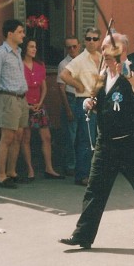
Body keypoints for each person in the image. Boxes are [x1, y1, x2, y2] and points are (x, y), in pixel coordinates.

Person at [58, 33, 134, 248]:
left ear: (123, 50)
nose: (106, 52)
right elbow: (99, 100)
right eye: (103, 48)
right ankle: (82, 236)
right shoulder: (102, 75)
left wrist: (129, 75)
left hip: (132, 142)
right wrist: (90, 105)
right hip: (106, 143)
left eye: (111, 47)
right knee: (95, 189)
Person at [0, 19, 29, 189]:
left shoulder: (17, 52)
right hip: (7, 98)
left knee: (18, 136)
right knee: (7, 137)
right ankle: (1, 176)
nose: (23, 35)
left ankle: (12, 172)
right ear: (10, 34)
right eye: (20, 31)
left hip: (20, 99)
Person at [59, 28, 102, 186]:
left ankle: (95, 173)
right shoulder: (80, 59)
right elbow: (64, 75)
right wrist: (78, 85)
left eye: (95, 39)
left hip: (99, 101)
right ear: (84, 41)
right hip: (84, 101)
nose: (91, 41)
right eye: (88, 38)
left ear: (99, 41)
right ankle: (82, 175)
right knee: (86, 140)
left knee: (98, 139)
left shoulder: (101, 58)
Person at [20, 38, 64, 181]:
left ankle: (49, 168)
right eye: (31, 47)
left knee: (47, 137)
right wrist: (26, 104)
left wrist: (40, 102)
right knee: (26, 138)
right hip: (24, 105)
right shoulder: (19, 65)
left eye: (35, 47)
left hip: (39, 105)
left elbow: (43, 87)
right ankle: (30, 170)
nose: (34, 49)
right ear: (24, 48)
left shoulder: (40, 65)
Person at [56, 35, 81, 176]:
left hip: (84, 100)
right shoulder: (63, 64)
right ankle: (70, 165)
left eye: (74, 46)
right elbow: (61, 88)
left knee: (83, 135)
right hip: (71, 100)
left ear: (79, 46)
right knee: (70, 137)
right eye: (69, 47)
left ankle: (82, 165)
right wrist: (68, 109)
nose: (72, 49)